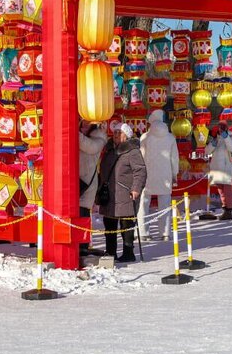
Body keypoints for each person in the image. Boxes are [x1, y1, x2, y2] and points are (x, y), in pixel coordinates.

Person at [102, 123, 147, 262]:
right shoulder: (109, 150)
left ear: (126, 135)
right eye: (115, 132)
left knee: (126, 224)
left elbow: (140, 171)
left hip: (125, 193)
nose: (116, 134)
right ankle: (110, 252)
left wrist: (136, 188)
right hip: (109, 194)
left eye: (119, 132)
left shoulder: (132, 151)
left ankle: (128, 252)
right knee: (109, 223)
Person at [139, 109, 179, 241]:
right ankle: (165, 232)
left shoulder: (145, 137)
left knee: (143, 204)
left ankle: (143, 232)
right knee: (165, 205)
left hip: (147, 175)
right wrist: (174, 173)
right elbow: (174, 158)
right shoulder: (170, 138)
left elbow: (141, 156)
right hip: (165, 175)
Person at [77, 121, 108, 255]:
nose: (85, 125)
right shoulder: (84, 136)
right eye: (83, 122)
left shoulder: (99, 138)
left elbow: (87, 146)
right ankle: (78, 243)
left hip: (86, 183)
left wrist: (71, 130)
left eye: (88, 123)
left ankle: (83, 244)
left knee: (83, 214)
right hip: (77, 180)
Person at [205, 121, 232, 220]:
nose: (220, 129)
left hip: (226, 168)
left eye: (222, 127)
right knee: (221, 191)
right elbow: (207, 151)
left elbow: (231, 148)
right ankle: (225, 209)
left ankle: (229, 211)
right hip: (216, 169)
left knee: (227, 191)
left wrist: (226, 136)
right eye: (219, 127)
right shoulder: (215, 138)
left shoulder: (230, 137)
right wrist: (213, 144)